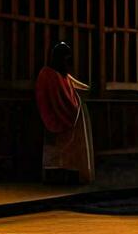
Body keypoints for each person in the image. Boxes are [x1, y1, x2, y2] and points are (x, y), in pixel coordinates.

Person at [35, 41, 94, 183]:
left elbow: (80, 87)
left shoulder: (62, 75)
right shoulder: (49, 74)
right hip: (59, 118)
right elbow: (57, 97)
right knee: (57, 151)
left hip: (64, 118)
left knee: (63, 152)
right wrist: (74, 106)